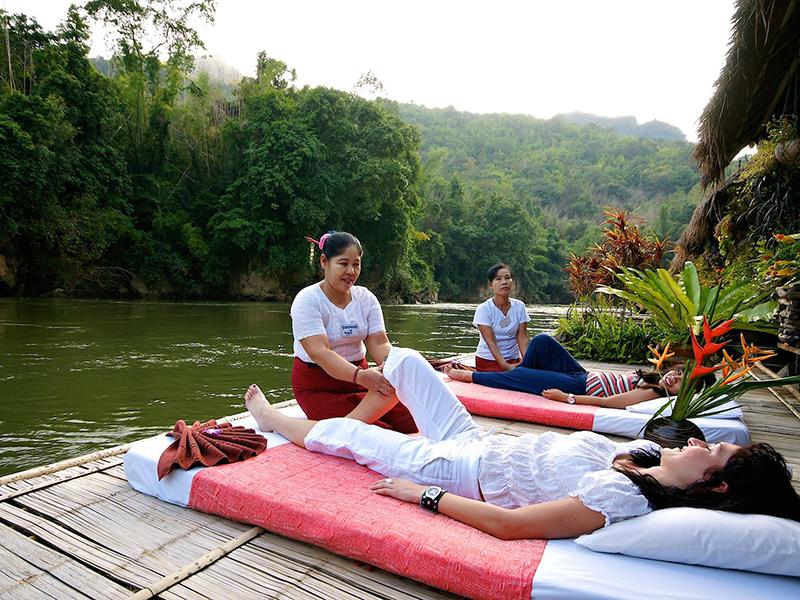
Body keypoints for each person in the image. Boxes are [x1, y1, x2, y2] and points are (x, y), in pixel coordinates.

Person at [244, 347, 800, 540]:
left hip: (458, 470)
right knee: (410, 362)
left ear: (716, 483)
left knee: (347, 434)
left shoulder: (625, 499)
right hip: (480, 441)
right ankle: (367, 407)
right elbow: (664, 431)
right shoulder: (653, 461)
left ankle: (272, 419)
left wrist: (421, 496)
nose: (702, 442)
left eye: (714, 451)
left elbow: (509, 526)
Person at [290, 231, 416, 433]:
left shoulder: (365, 298)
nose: (351, 271)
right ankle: (270, 417)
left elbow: (379, 342)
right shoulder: (308, 300)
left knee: (410, 420)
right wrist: (360, 376)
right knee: (377, 431)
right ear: (324, 262)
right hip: (320, 385)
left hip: (360, 379)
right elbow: (319, 352)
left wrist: (396, 365)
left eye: (356, 264)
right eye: (343, 263)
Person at [447, 333, 703, 408]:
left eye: (681, 381)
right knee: (542, 342)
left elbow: (612, 403)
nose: (673, 376)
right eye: (678, 372)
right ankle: (515, 379)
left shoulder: (654, 392)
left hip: (579, 387)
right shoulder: (655, 377)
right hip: (582, 374)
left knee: (523, 375)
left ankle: (472, 376)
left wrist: (567, 398)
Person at [472, 264, 530, 372]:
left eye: (507, 278)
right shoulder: (484, 309)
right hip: (488, 361)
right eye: (498, 279)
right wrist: (506, 367)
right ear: (490, 285)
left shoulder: (519, 306)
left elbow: (522, 337)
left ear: (512, 282)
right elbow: (491, 342)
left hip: (514, 359)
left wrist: (527, 362)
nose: (504, 282)